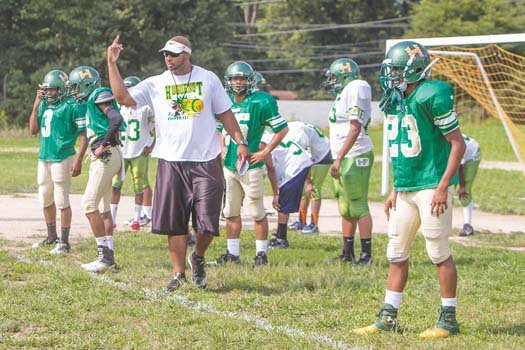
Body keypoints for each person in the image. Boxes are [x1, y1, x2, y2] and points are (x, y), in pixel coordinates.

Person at [107, 35, 248, 292]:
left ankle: (198, 256)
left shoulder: (208, 79)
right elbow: (123, 98)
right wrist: (112, 64)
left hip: (206, 160)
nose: (168, 58)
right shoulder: (155, 83)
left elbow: (225, 113)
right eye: (165, 54)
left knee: (207, 224)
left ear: (187, 54)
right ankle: (178, 273)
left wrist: (240, 141)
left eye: (173, 54)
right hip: (171, 162)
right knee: (175, 222)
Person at [353, 41, 466, 338]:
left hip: (431, 185)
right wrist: (395, 187)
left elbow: (458, 143)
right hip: (406, 187)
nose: (391, 76)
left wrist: (444, 186)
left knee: (438, 251)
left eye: (398, 69)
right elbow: (401, 151)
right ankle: (388, 317)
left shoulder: (433, 94)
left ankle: (449, 319)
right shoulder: (396, 98)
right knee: (396, 252)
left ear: (415, 69)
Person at [212, 61, 288, 268]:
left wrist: (265, 151)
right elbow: (220, 127)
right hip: (230, 165)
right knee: (230, 211)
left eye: (242, 78)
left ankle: (261, 254)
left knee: (256, 211)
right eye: (234, 78)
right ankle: (232, 254)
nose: (238, 82)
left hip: (251, 166)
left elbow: (282, 129)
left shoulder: (261, 101)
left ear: (250, 80)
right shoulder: (225, 100)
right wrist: (222, 145)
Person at [68, 66, 125, 273]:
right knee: (102, 207)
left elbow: (116, 119)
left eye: (76, 87)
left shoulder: (99, 94)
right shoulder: (92, 99)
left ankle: (105, 257)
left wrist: (103, 145)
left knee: (88, 204)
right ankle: (109, 255)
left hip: (106, 155)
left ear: (86, 84)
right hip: (108, 155)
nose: (74, 91)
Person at [29, 70, 88, 254]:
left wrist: (78, 160)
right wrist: (36, 104)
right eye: (46, 90)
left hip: (62, 157)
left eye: (52, 90)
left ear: (61, 89)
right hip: (44, 157)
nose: (48, 93)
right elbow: (32, 130)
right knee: (45, 197)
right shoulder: (44, 105)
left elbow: (84, 134)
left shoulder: (72, 106)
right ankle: (51, 236)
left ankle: (64, 242)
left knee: (61, 199)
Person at [322, 58, 374, 265]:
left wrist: (340, 157)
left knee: (358, 204)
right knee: (345, 205)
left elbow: (355, 127)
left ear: (345, 75)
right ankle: (347, 252)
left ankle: (366, 255)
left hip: (356, 154)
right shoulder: (344, 93)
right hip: (344, 155)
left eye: (335, 77)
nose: (332, 82)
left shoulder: (356, 87)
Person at [109, 76, 155, 231]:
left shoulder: (146, 108)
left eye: (130, 89)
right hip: (122, 151)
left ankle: (137, 218)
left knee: (139, 186)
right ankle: (112, 219)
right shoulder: (117, 107)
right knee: (115, 185)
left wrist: (152, 144)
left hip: (139, 150)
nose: (126, 92)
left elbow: (156, 127)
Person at [261, 132, 313, 249]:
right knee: (283, 204)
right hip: (302, 162)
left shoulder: (262, 143)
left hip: (294, 167)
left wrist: (275, 193)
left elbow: (270, 168)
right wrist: (308, 181)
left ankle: (282, 240)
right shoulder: (269, 135)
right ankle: (280, 234)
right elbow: (306, 158)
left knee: (282, 205)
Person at [285, 121, 332, 234]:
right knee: (303, 191)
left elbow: (305, 158)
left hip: (322, 155)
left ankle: (314, 224)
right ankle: (301, 221)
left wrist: (308, 181)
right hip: (315, 152)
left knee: (313, 189)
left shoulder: (296, 135)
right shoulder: (290, 128)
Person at [458, 134, 481, 236]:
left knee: (465, 190)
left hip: (471, 155)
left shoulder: (453, 141)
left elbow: (459, 164)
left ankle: (468, 225)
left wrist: (462, 186)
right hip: (461, 156)